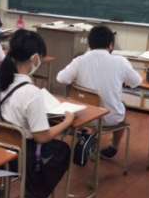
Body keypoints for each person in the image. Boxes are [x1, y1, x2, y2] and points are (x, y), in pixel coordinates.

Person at [0, 29, 73, 198]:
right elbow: (42, 137)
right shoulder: (31, 92)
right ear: (35, 58)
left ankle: (29, 192)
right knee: (62, 150)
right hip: (19, 156)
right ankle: (30, 195)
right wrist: (67, 122)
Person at [57, 25, 141, 159]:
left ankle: (88, 136)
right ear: (111, 45)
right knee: (122, 108)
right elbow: (136, 82)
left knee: (92, 102)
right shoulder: (120, 61)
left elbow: (61, 78)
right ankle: (113, 147)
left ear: (89, 44)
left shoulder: (80, 60)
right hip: (108, 118)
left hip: (83, 115)